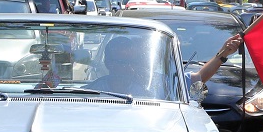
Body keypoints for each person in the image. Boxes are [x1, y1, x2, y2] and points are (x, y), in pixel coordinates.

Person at [88, 33, 242, 95]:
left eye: (132, 62)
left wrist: (222, 54)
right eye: (120, 62)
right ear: (108, 63)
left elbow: (199, 77)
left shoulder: (161, 83)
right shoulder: (92, 91)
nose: (128, 67)